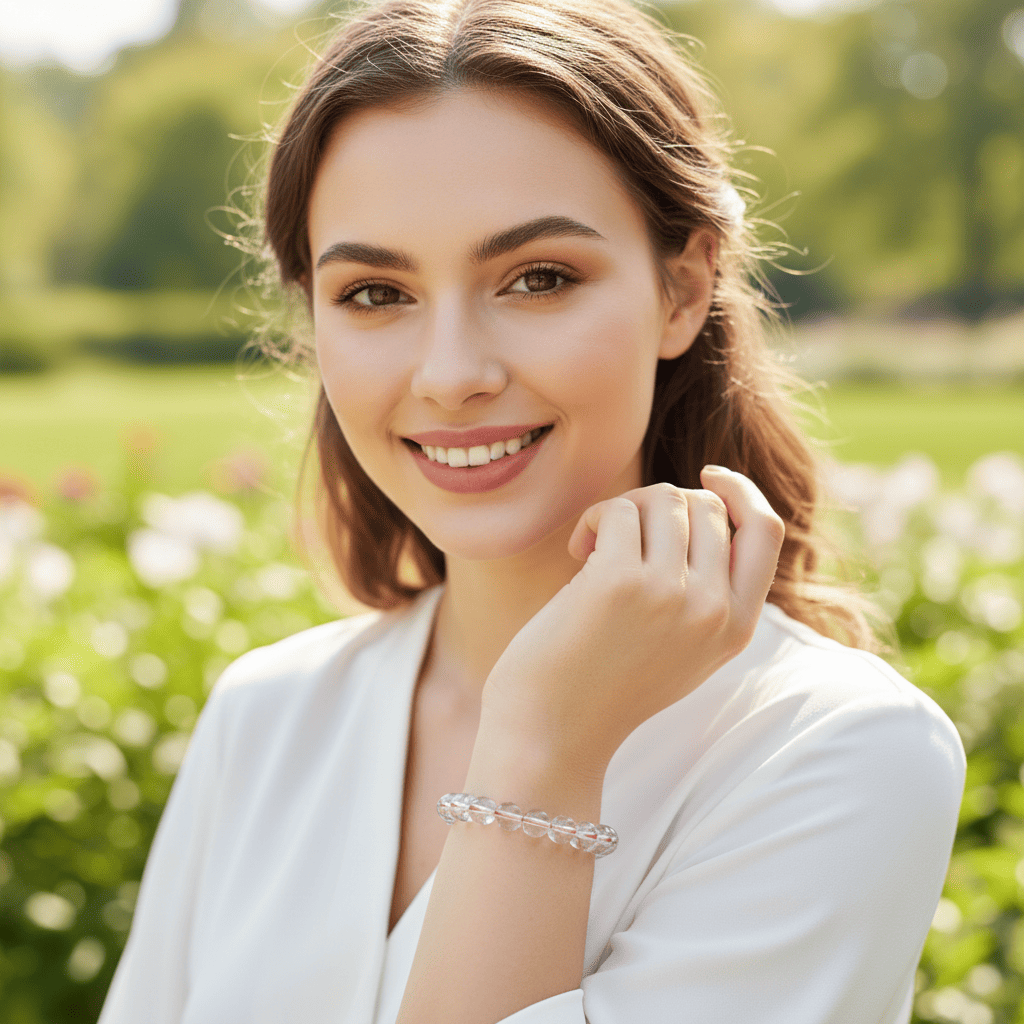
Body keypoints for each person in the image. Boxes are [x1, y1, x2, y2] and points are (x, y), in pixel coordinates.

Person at [97, 1, 966, 1022]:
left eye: (538, 278)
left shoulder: (834, 752)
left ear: (681, 289)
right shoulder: (270, 715)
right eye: (375, 293)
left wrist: (544, 751)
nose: (452, 373)